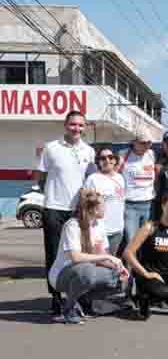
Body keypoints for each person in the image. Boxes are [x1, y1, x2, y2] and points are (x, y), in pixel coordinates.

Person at [35, 110, 97, 314]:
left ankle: (77, 296)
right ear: (65, 125)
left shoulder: (89, 151)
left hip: (78, 212)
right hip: (54, 208)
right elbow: (41, 176)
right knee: (54, 255)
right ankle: (55, 297)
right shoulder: (51, 148)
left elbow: (90, 181)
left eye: (80, 125)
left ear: (84, 128)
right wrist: (50, 195)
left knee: (79, 254)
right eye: (73, 124)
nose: (76, 128)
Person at [48, 188, 130, 324]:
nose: (106, 208)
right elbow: (76, 257)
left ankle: (85, 302)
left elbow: (102, 255)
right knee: (88, 271)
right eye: (103, 205)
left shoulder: (100, 225)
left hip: (85, 272)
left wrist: (118, 267)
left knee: (121, 280)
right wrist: (108, 258)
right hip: (61, 275)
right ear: (94, 210)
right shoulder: (73, 225)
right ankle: (68, 310)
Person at [83, 145, 126, 254]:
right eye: (103, 158)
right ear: (98, 161)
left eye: (110, 157)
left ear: (115, 160)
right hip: (100, 231)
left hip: (117, 230)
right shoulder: (92, 179)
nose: (107, 160)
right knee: (99, 261)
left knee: (112, 259)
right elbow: (86, 205)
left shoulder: (120, 178)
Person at [118, 130, 157, 248]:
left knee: (146, 240)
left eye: (149, 143)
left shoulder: (151, 154)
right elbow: (114, 174)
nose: (147, 146)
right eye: (143, 143)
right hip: (130, 205)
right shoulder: (123, 155)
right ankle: (129, 261)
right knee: (131, 240)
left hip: (148, 204)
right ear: (134, 142)